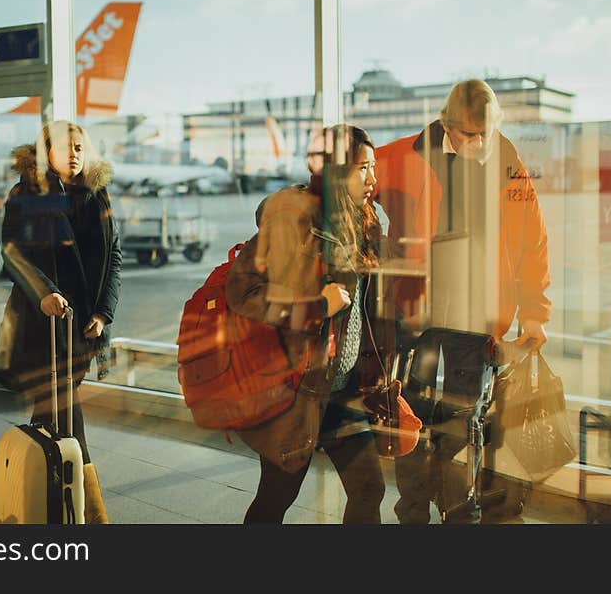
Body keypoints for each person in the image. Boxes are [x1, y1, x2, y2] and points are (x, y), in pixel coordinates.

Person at [374, 79, 552, 523]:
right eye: (470, 135)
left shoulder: (507, 160)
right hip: (418, 317)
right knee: (410, 418)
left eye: (487, 133)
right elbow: (348, 182)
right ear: (448, 125)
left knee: (461, 420)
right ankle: (413, 510)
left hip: (477, 318)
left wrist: (535, 313)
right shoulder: (405, 155)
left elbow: (534, 240)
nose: (480, 143)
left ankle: (454, 505)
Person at [227, 124, 396, 524]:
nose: (373, 178)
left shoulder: (364, 222)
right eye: (362, 168)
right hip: (297, 391)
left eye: (373, 167)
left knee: (368, 488)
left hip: (342, 389)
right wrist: (316, 304)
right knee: (274, 499)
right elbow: (243, 292)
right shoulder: (294, 223)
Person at [0, 120, 121, 524]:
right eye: (66, 146)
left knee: (50, 417)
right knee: (64, 411)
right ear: (45, 152)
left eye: (80, 146)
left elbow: (114, 257)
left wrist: (104, 312)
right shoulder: (26, 196)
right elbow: (13, 252)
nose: (75, 153)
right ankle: (89, 513)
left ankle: (36, 495)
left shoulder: (97, 196)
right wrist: (45, 290)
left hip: (83, 328)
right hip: (43, 325)